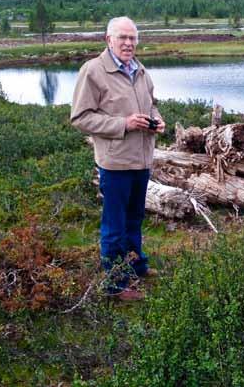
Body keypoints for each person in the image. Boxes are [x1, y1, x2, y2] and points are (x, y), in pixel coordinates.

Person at [71, 16, 165, 301]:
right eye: (122, 37)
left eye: (132, 38)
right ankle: (115, 285)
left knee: (135, 219)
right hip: (115, 163)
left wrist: (157, 121)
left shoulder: (140, 70)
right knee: (114, 225)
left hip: (142, 160)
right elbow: (80, 118)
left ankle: (136, 265)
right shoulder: (93, 71)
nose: (128, 43)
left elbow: (152, 104)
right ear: (108, 39)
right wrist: (123, 124)